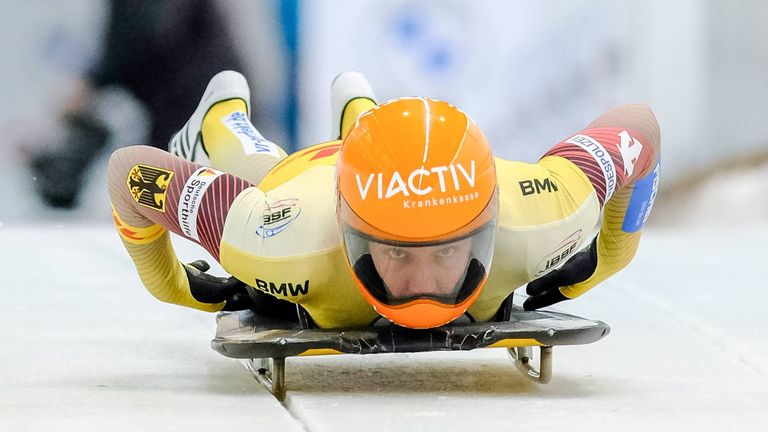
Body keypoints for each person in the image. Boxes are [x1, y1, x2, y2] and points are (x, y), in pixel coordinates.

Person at [107, 70, 661, 330]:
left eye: (446, 252)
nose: (423, 288)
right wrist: (607, 256)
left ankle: (359, 109)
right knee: (268, 171)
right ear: (350, 232)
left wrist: (181, 287)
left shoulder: (546, 214)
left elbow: (642, 125)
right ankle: (221, 119)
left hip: (349, 205)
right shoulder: (276, 235)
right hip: (313, 187)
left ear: (491, 225)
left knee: (348, 151)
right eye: (397, 253)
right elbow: (128, 172)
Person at [31, 0, 243, 208]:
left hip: (196, 97)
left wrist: (92, 84)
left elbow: (147, 34)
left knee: (181, 198)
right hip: (183, 98)